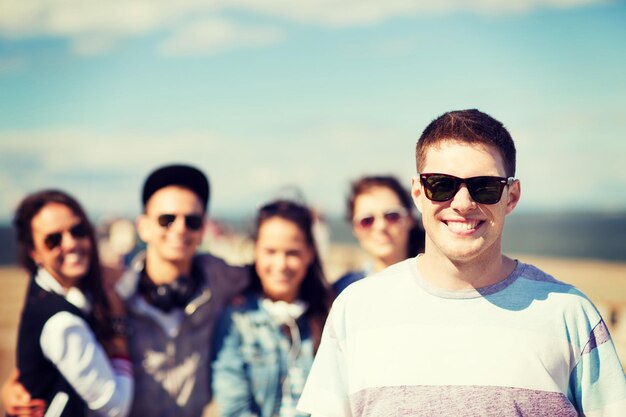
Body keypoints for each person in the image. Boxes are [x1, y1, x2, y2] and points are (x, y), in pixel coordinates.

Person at [297, 109, 626, 416]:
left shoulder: (570, 314)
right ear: (418, 192)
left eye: (484, 187)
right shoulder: (354, 309)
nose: (463, 203)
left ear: (511, 196)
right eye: (442, 185)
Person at [3, 164, 250, 417]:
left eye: (192, 221)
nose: (180, 229)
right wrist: (15, 387)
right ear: (143, 227)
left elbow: (271, 273)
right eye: (167, 220)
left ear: (202, 231)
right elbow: (60, 345)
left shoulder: (219, 278)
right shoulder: (110, 293)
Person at [9, 190, 133, 417]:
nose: (71, 244)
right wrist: (119, 333)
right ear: (34, 252)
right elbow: (115, 407)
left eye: (78, 231)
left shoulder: (50, 289)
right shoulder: (62, 323)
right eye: (53, 239)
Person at [212, 200, 333, 417]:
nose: (281, 264)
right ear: (255, 252)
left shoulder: (328, 316)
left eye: (292, 253)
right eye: (270, 251)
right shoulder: (236, 319)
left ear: (310, 254)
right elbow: (234, 408)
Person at [333, 175, 424, 295]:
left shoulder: (438, 280)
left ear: (410, 219)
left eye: (392, 216)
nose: (381, 226)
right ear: (354, 228)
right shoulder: (341, 290)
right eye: (367, 220)